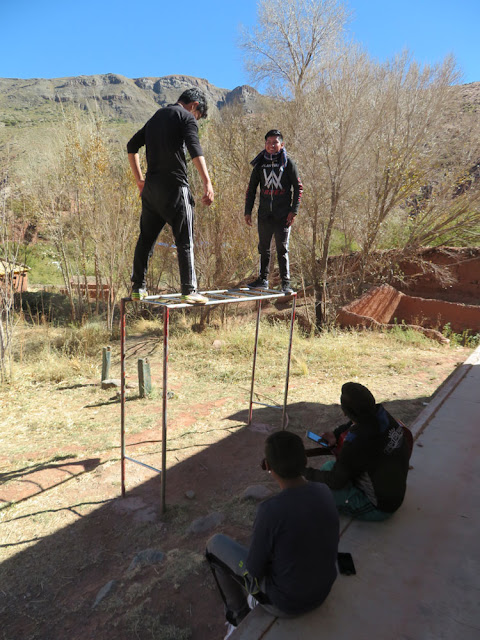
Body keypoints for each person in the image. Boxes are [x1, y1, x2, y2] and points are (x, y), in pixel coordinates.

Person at [206, 431, 339, 638]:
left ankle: (238, 616)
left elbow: (253, 573)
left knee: (215, 544)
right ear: (305, 460)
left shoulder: (270, 511)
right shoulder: (324, 490)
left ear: (268, 466)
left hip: (286, 603)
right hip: (324, 589)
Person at [127, 88, 214, 304]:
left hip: (151, 191)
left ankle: (138, 287)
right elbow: (194, 149)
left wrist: (140, 181)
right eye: (198, 116)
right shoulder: (186, 117)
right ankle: (189, 290)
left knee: (145, 239)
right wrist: (207, 182)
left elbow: (131, 146)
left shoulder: (156, 117)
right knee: (185, 241)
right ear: (194, 105)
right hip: (175, 188)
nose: (196, 120)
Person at [305, 382, 411, 521]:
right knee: (329, 467)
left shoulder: (357, 442)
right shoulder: (383, 415)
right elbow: (355, 423)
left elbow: (337, 481)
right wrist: (336, 434)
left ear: (344, 412)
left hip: (380, 506)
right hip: (394, 490)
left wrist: (304, 471)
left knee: (319, 493)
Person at [244, 129, 303, 295]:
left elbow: (298, 188)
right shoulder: (260, 163)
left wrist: (294, 211)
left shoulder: (288, 163)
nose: (271, 145)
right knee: (263, 248)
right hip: (264, 214)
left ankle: (286, 283)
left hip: (283, 215)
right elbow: (251, 189)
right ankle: (262, 280)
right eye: (268, 142)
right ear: (265, 144)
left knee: (282, 249)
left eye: (275, 142)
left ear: (281, 144)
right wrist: (247, 211)